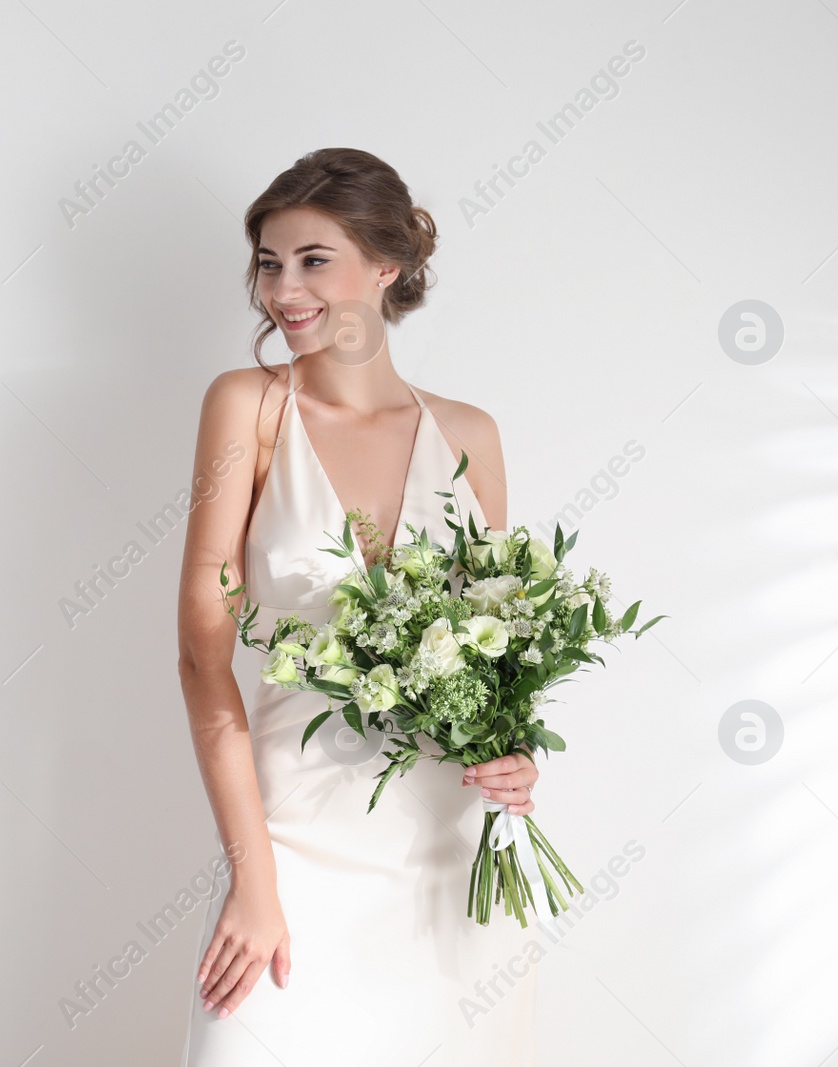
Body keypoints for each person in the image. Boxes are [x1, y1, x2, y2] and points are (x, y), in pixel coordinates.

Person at [176, 148, 540, 1065]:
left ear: (388, 266)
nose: (283, 289)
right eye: (268, 261)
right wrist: (254, 880)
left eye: (313, 259)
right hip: (293, 835)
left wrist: (516, 754)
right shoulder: (247, 409)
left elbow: (499, 646)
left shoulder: (470, 434)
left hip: (454, 846)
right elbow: (201, 658)